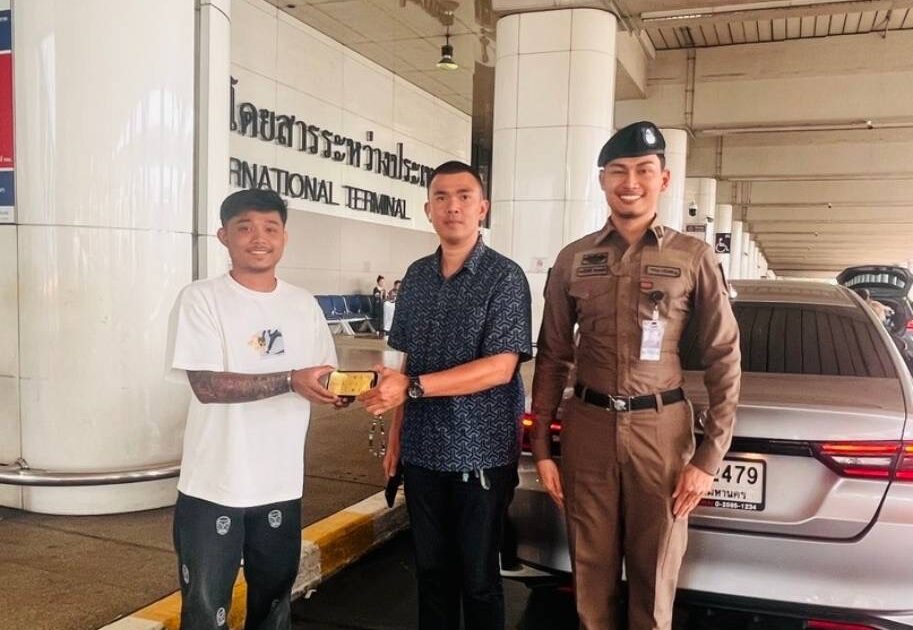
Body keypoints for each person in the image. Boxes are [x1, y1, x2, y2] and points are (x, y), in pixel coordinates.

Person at [531, 121, 741, 630]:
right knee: (590, 576)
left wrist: (708, 457)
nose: (631, 182)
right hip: (588, 430)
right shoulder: (574, 259)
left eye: (644, 170)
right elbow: (552, 355)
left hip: (661, 433)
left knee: (655, 579)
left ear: (663, 179)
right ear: (602, 180)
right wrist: (542, 449)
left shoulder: (693, 257)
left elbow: (723, 356)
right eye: (618, 171)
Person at [360, 160, 533, 630]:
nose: (452, 206)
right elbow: (405, 361)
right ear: (428, 210)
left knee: (478, 579)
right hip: (423, 452)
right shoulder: (416, 276)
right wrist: (397, 436)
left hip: (480, 453)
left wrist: (413, 388)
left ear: (482, 208)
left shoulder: (504, 277)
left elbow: (500, 367)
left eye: (463, 196)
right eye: (441, 197)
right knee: (432, 574)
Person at [166, 188, 341, 630]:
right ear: (223, 236)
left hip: (280, 485)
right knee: (206, 612)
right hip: (214, 487)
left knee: (273, 608)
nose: (259, 238)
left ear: (284, 237)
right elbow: (206, 385)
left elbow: (324, 377)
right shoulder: (201, 298)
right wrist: (290, 379)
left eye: (270, 228)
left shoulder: (302, 304)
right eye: (245, 227)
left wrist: (348, 392)